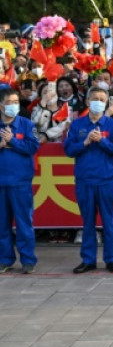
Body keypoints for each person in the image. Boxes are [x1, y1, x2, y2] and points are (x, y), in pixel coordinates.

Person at [63, 87, 113, 273]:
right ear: (88, 102)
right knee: (88, 222)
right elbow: (69, 150)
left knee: (109, 221)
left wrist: (102, 141)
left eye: (102, 99)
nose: (98, 101)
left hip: (106, 180)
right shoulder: (77, 125)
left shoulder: (112, 126)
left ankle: (111, 259)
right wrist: (85, 143)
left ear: (106, 103)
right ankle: (88, 260)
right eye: (95, 98)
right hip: (85, 180)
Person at [0, 87, 40, 273]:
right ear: (1, 105)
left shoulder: (25, 124)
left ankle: (28, 260)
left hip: (20, 182)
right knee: (2, 225)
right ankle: (5, 259)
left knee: (24, 223)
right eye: (10, 103)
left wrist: (13, 142)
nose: (14, 106)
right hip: (1, 183)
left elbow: (32, 147)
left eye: (16, 102)